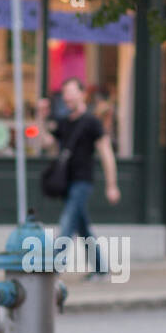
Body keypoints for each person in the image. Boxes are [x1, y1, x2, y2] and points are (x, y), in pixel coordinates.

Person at [36, 78, 120, 279]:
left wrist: (112, 185)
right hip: (65, 182)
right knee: (82, 228)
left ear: (82, 94)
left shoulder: (92, 122)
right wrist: (40, 117)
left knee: (67, 223)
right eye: (65, 93)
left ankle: (53, 267)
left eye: (72, 92)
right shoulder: (64, 123)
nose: (68, 97)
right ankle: (101, 269)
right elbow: (45, 142)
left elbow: (106, 153)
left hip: (83, 181)